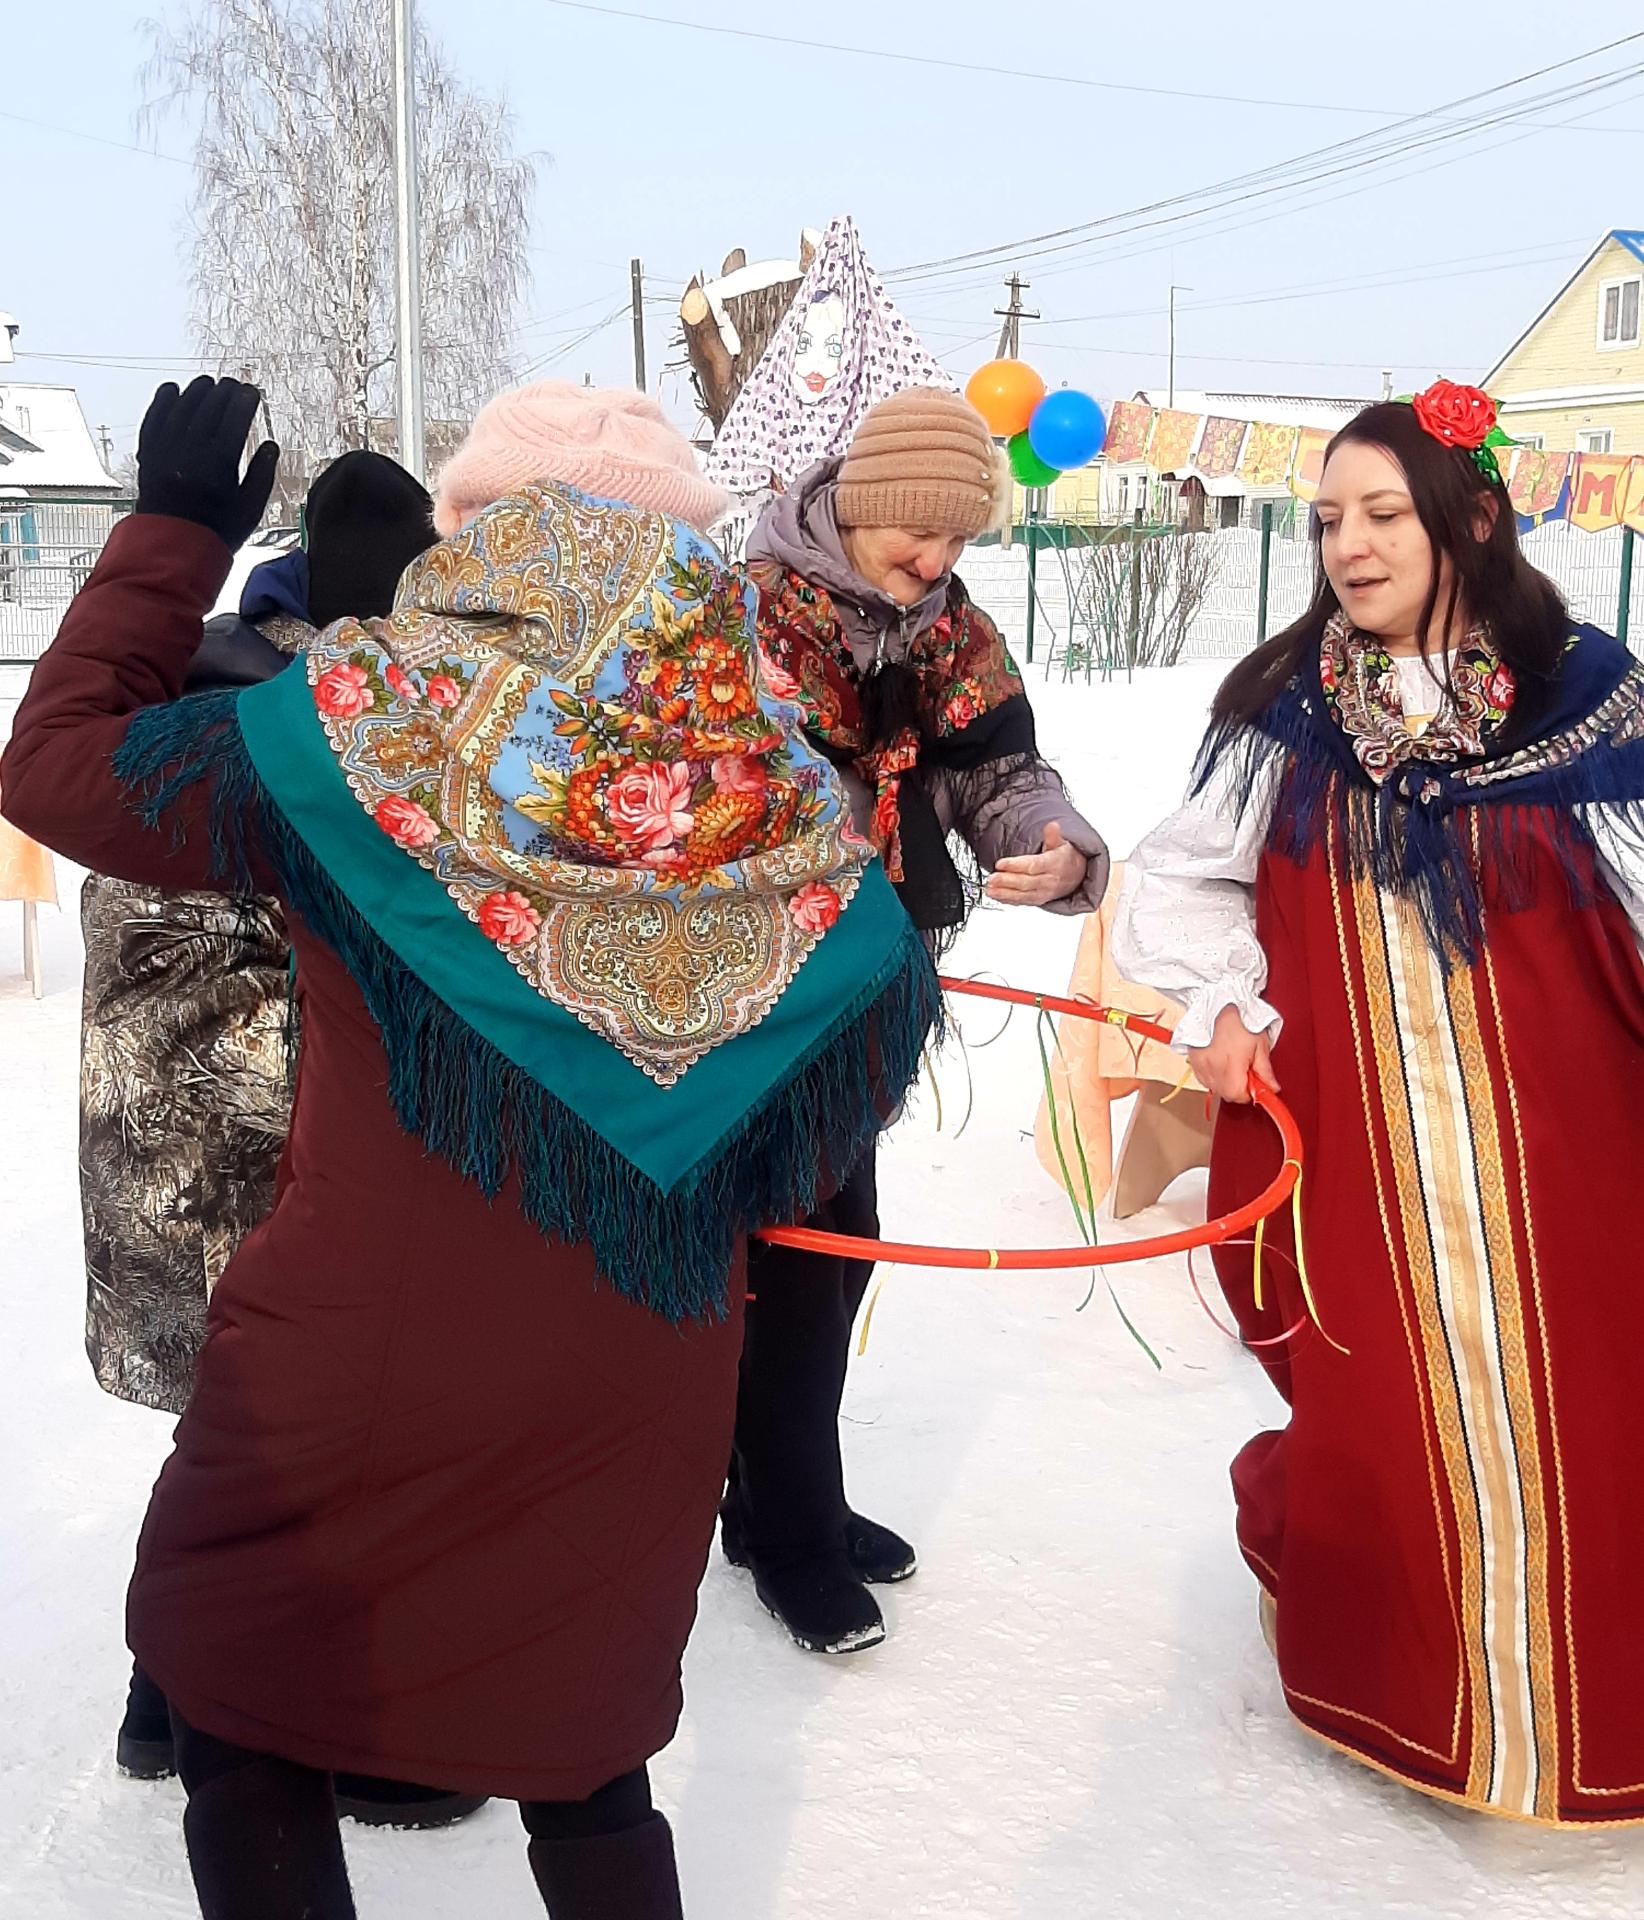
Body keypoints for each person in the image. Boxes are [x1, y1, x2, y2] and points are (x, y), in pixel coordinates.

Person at [1, 374, 938, 1917]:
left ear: (476, 531)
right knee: (581, 1754)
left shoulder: (355, 727)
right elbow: (863, 1024)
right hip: (641, 1367)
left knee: (242, 1705)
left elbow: (55, 770)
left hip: (356, 1346)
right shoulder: (769, 770)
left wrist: (170, 535)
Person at [1112, 382, 1644, 1826]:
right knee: (1386, 1406)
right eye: (1329, 517)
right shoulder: (1288, 717)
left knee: (1598, 1408)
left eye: (1383, 511)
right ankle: (1411, 1691)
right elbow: (1176, 879)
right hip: (1367, 1154)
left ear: (1473, 516)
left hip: (1572, 1151)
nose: (1348, 543)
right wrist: (1217, 1005)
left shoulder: (1596, 700)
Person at [81, 451, 484, 1830]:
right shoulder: (266, 710)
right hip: (254, 1124)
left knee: (241, 1424)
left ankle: (179, 1691)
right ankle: (240, 1707)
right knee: (280, 1432)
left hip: (201, 1123)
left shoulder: (205, 685)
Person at [731, 386, 1110, 1653]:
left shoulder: (948, 631)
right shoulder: (747, 612)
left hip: (863, 979)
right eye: (917, 532)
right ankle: (782, 1525)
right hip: (746, 984)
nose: (937, 560)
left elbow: (998, 773)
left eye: (959, 538)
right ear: (861, 505)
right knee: (797, 1246)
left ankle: (781, 1495)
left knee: (842, 1238)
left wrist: (1053, 844)